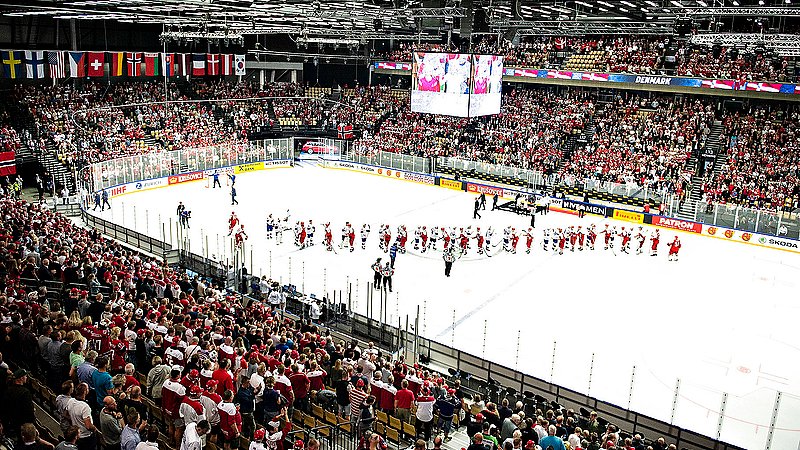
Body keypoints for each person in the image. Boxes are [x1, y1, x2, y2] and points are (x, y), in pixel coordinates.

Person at [2, 369, 34, 438]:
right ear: (21, 378)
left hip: (12, 422)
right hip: (22, 424)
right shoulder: (25, 392)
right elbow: (29, 412)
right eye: (25, 376)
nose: (26, 377)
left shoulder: (8, 390)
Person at [68, 383, 98, 450]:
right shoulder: (85, 407)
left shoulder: (70, 401)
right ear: (85, 391)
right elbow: (88, 426)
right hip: (86, 437)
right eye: (87, 388)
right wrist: (95, 429)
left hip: (77, 434)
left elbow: (66, 415)